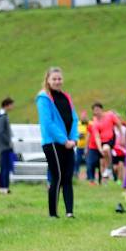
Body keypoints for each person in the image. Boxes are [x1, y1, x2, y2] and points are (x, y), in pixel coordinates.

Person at [36, 66, 78, 218]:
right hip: (53, 143)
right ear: (48, 80)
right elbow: (48, 122)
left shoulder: (66, 97)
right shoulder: (43, 98)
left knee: (67, 177)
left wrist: (73, 139)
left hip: (69, 143)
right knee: (57, 177)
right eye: (54, 79)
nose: (57, 81)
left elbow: (74, 118)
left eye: (59, 78)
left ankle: (69, 212)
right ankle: (53, 214)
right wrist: (63, 140)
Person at [0, 97, 15, 194]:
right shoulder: (2, 116)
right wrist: (9, 142)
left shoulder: (3, 115)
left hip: (4, 145)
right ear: (7, 105)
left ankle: (3, 187)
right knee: (5, 167)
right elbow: (1, 132)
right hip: (4, 146)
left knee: (4, 167)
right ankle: (4, 188)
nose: (13, 107)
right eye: (12, 105)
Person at [74, 110, 88, 179]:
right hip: (79, 145)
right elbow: (75, 132)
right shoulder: (78, 123)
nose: (83, 117)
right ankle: (76, 172)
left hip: (87, 146)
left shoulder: (89, 124)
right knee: (77, 160)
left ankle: (89, 175)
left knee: (88, 161)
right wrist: (78, 135)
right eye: (82, 116)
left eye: (84, 116)